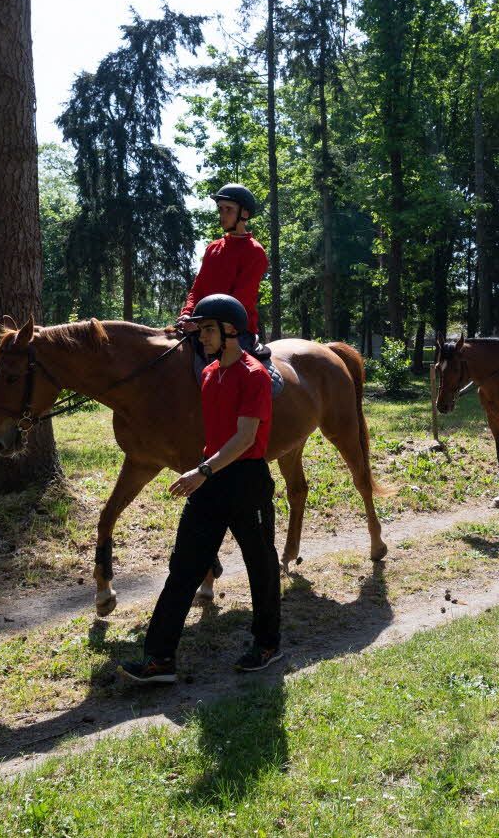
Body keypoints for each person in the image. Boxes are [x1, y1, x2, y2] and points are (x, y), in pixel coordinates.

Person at [121, 294, 282, 683]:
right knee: (184, 568)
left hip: (245, 482)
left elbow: (245, 438)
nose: (201, 337)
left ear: (231, 332)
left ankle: (267, 644)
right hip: (211, 482)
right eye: (201, 329)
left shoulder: (254, 375)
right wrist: (204, 472)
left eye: (208, 329)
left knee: (260, 566)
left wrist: (201, 472)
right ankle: (159, 659)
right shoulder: (209, 375)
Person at [178, 184, 268, 356]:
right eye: (220, 209)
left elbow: (240, 300)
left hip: (235, 329)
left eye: (229, 210)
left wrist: (203, 323)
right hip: (205, 325)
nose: (222, 215)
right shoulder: (213, 248)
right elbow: (197, 289)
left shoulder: (255, 252)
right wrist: (187, 314)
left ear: (245, 214)